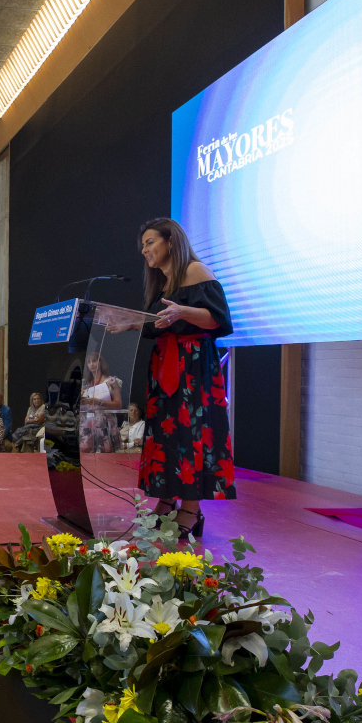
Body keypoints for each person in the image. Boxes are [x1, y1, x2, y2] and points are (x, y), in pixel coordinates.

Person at [136, 218, 236, 535]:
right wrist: (129, 323)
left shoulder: (195, 271)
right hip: (165, 366)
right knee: (167, 436)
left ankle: (191, 510)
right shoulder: (162, 283)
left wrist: (182, 312)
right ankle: (167, 502)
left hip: (193, 367)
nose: (145, 250)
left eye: (150, 242)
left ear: (170, 241)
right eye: (143, 244)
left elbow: (217, 318)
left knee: (192, 435)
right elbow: (156, 323)